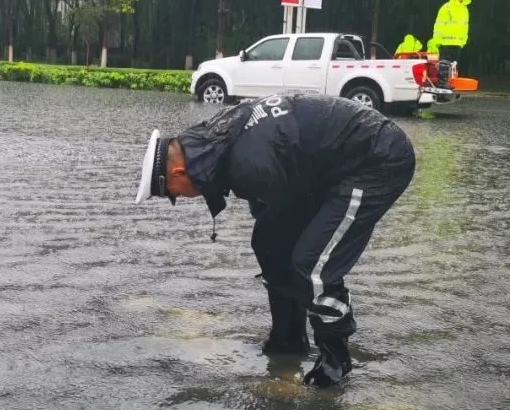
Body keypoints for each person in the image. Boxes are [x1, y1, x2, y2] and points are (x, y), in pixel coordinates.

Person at [134, 93, 416, 388]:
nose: (178, 197)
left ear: (178, 171)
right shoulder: (215, 139)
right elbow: (279, 213)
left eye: (172, 194)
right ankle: (288, 340)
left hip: (377, 160)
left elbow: (289, 206)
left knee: (313, 265)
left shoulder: (247, 162)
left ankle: (335, 360)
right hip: (329, 164)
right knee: (269, 243)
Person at [431, 0, 472, 76]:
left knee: (453, 64)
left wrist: (464, 40)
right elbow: (439, 24)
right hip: (446, 41)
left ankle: (448, 81)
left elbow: (465, 26)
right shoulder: (446, 8)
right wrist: (437, 40)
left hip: (458, 42)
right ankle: (442, 82)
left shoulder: (465, 10)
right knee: (444, 63)